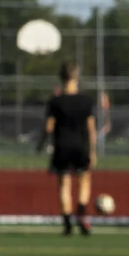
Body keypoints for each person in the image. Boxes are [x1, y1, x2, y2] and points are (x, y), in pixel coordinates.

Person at [43, 63, 99, 234]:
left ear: (61, 78)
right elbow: (91, 128)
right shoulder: (86, 101)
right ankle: (81, 212)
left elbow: (48, 128)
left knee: (64, 185)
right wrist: (93, 151)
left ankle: (67, 224)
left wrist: (44, 140)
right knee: (84, 180)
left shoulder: (55, 102)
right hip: (81, 146)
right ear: (76, 77)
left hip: (62, 146)